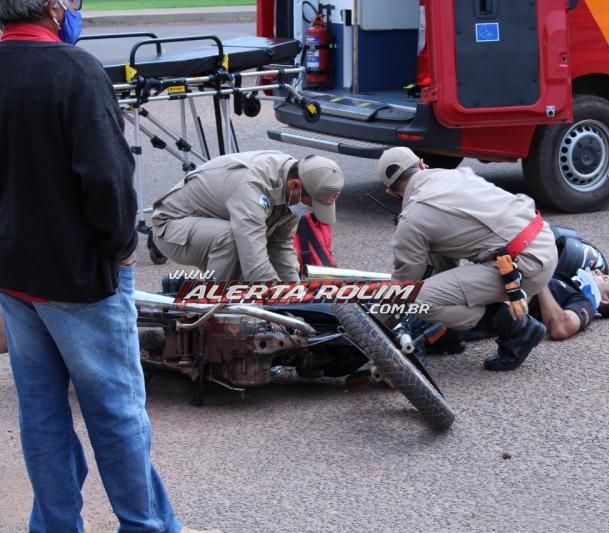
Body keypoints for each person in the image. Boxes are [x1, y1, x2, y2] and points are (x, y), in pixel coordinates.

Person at [0, 0, 190, 531]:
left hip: (15, 276)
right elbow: (107, 174)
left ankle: (56, 525)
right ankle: (145, 525)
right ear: (53, 8)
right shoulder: (75, 69)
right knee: (117, 415)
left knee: (42, 416)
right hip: (81, 278)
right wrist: (122, 244)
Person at [378, 147, 558, 371]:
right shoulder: (458, 175)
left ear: (391, 193)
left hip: (522, 266)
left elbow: (404, 286)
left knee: (416, 299)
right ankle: (448, 335)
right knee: (435, 250)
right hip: (544, 241)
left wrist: (379, 317)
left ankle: (517, 329)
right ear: (422, 164)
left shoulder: (412, 219)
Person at [152, 151, 344, 282]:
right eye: (312, 204)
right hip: (172, 226)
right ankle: (219, 311)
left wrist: (295, 293)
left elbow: (280, 245)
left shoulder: (295, 185)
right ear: (295, 186)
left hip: (213, 223)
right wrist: (281, 301)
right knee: (231, 240)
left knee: (245, 250)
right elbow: (255, 267)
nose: (310, 211)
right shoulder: (252, 188)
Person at [532, 269, 609, 340]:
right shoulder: (568, 281)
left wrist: (541, 282)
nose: (597, 271)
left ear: (604, 299)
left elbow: (561, 327)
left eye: (605, 278)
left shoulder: (585, 304)